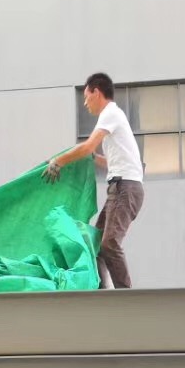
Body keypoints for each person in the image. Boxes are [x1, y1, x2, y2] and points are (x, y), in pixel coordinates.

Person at [44, 72, 145, 288]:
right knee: (97, 245)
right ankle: (101, 292)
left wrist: (58, 161)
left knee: (109, 244)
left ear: (96, 92)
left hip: (125, 188)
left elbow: (88, 145)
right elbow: (111, 160)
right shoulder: (113, 117)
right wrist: (91, 158)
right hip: (120, 187)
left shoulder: (110, 113)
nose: (85, 103)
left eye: (86, 97)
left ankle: (127, 296)